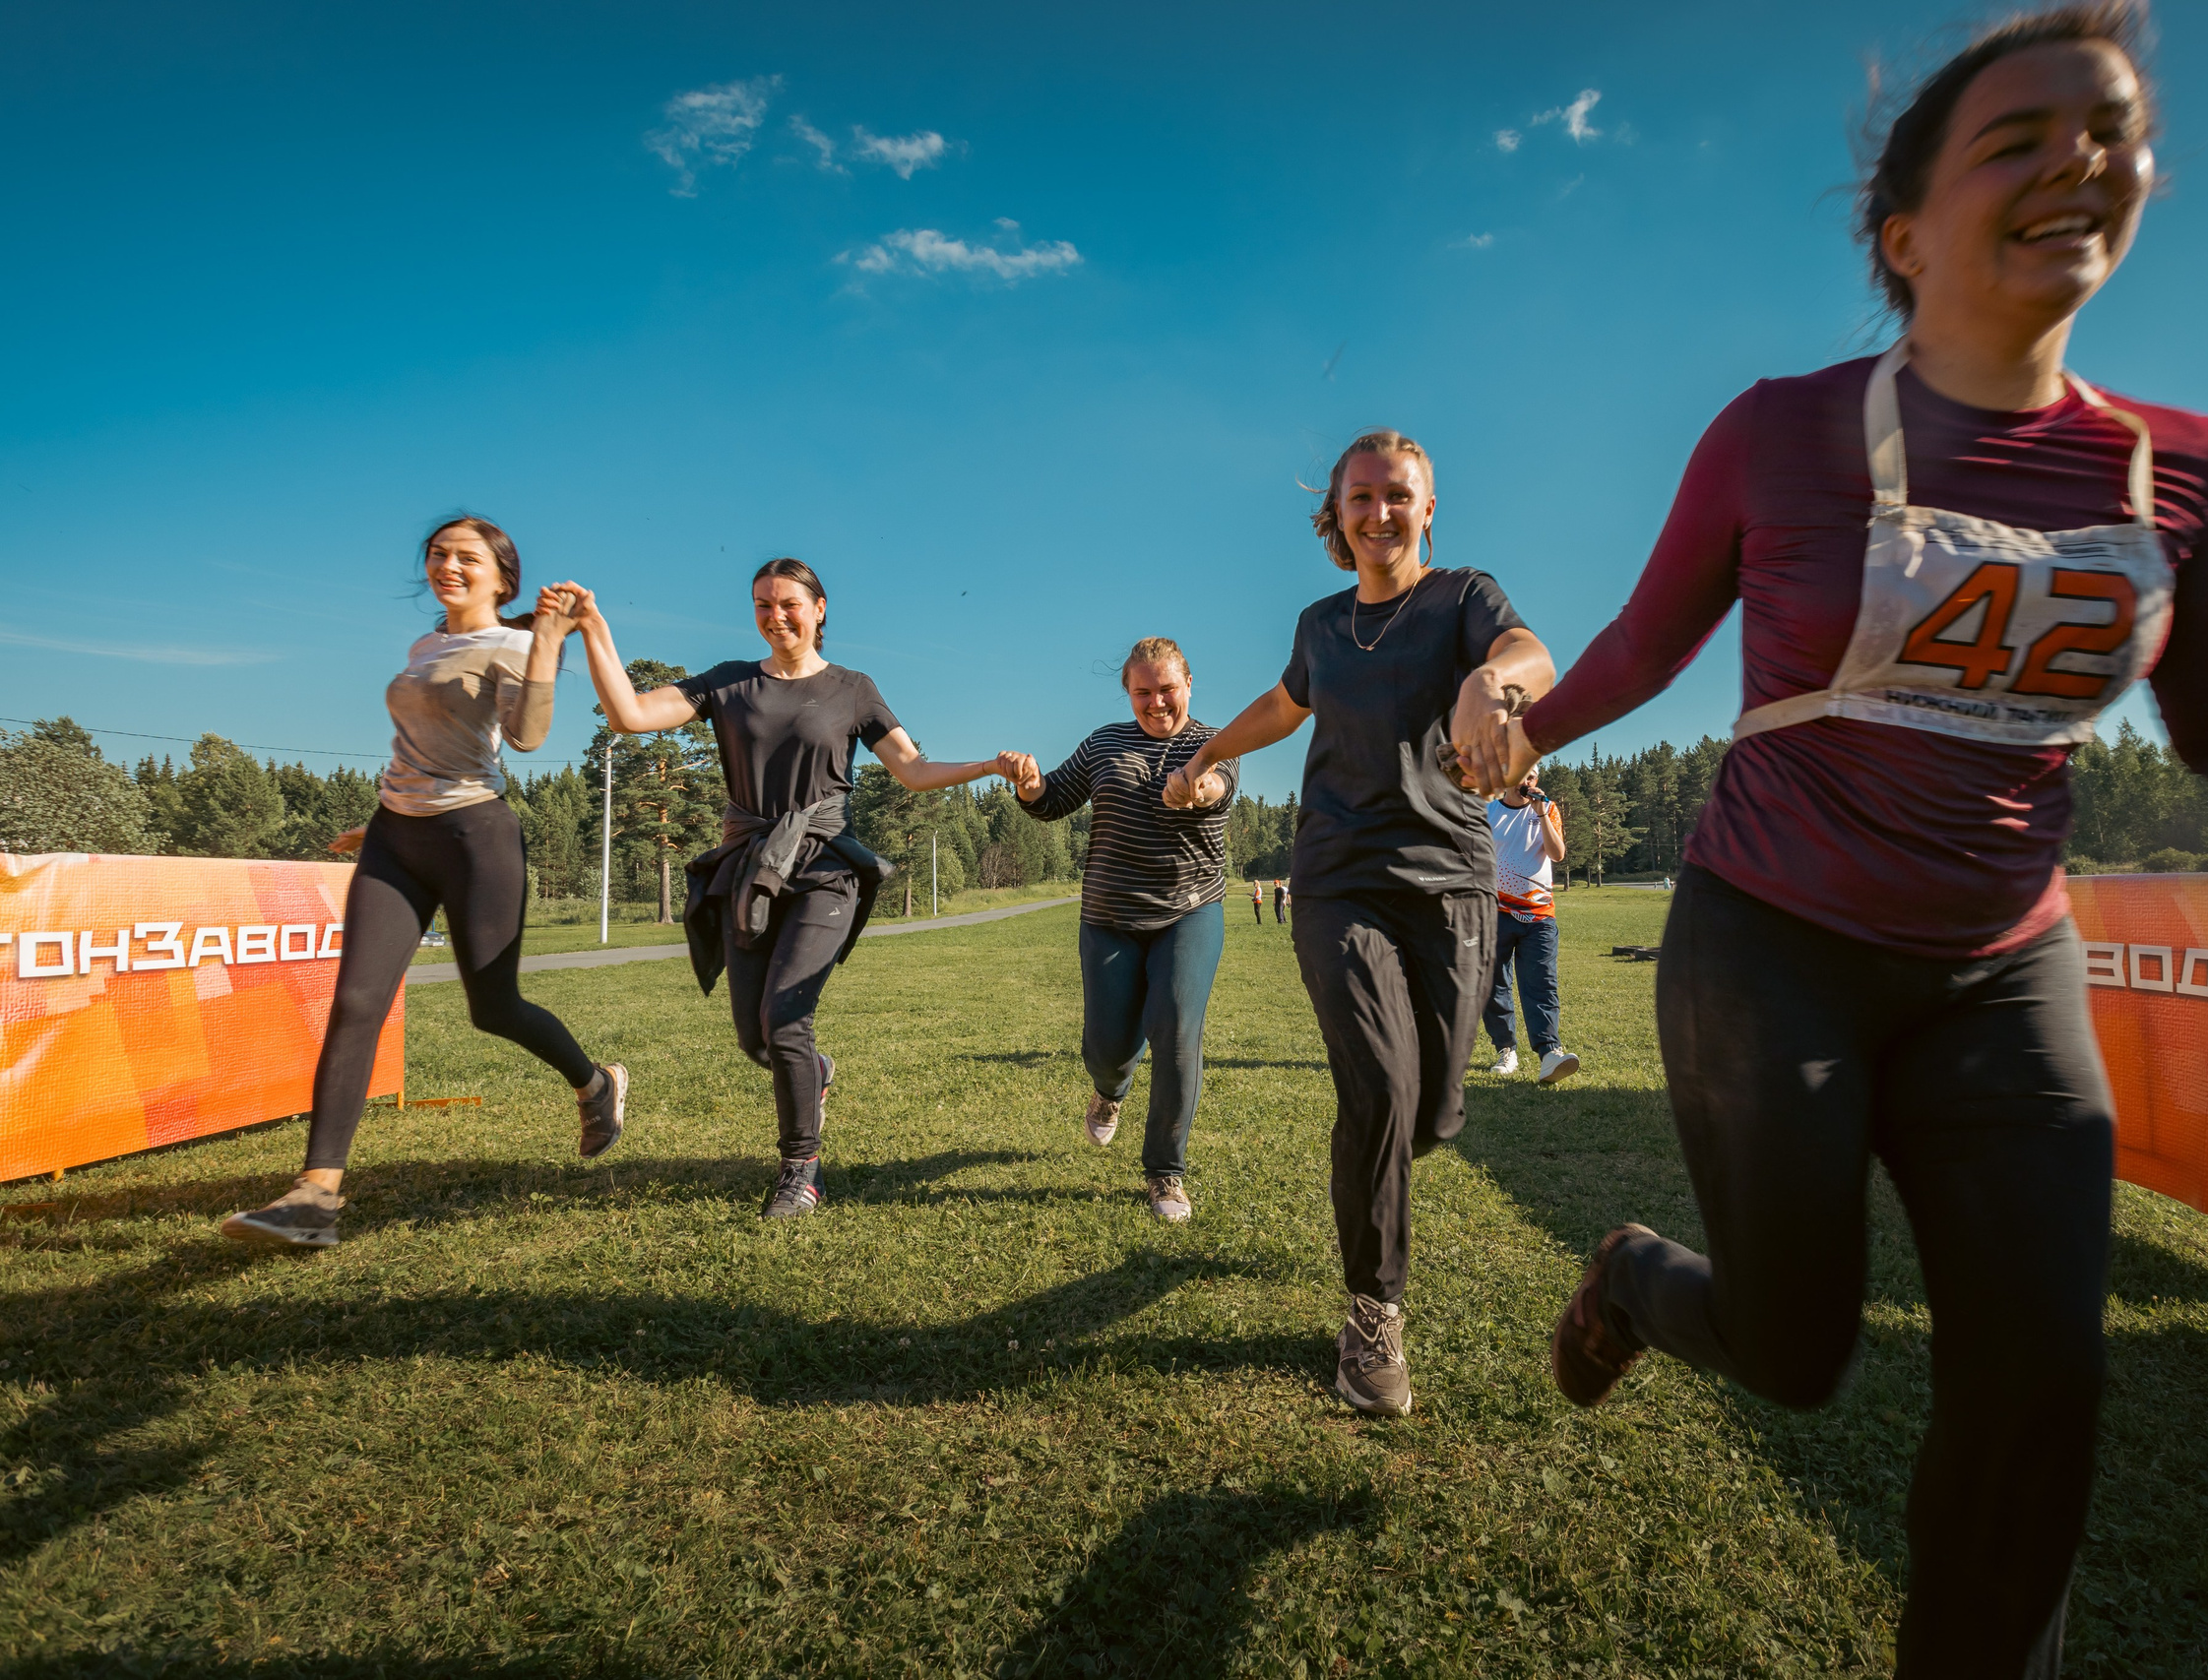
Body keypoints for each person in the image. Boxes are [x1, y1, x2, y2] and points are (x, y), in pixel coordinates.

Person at [1487, 8, 2208, 1674]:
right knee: (1796, 1346)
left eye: (2110, 132)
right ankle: (1634, 1274)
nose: (2081, 164)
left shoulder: (2183, 469)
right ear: (1904, 234)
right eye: (2020, 138)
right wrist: (1522, 726)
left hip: (2000, 974)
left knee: (2041, 1399)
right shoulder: (1783, 430)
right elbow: (1643, 642)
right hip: (1775, 949)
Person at [1165, 428, 1554, 1417]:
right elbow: (1282, 704)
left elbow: (1532, 655)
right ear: (1334, 515)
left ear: (1427, 509)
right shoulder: (1319, 625)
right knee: (1379, 1090)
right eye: (1361, 497)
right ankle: (1373, 1317)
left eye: (1398, 497)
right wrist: (1203, 755)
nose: (1379, 513)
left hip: (1451, 882)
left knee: (1430, 1111)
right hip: (1337, 875)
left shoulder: (1465, 600)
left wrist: (1488, 682)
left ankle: (1376, 1154)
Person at [552, 559, 1024, 1217]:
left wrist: (988, 766)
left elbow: (911, 769)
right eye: (762, 606)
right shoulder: (729, 683)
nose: (775, 617)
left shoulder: (852, 689)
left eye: (788, 604)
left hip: (826, 865)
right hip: (752, 867)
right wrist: (593, 628)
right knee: (756, 1038)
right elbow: (629, 715)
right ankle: (816, 1072)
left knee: (786, 1015)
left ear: (820, 608)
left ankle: (802, 1169)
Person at [221, 517, 625, 1250]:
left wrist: (547, 642)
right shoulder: (426, 646)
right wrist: (377, 820)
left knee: (493, 1008)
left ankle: (596, 1082)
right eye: (438, 554)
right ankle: (315, 1196)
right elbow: (420, 744)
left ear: (502, 578)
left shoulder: (513, 643)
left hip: (476, 837)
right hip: (394, 835)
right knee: (356, 1002)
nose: (446, 565)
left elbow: (528, 736)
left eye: (466, 557)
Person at [1004, 637, 1237, 1222]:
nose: (1156, 702)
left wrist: (1196, 786)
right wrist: (1030, 786)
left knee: (1177, 1030)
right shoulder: (1105, 742)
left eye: (1167, 689)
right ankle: (1109, 1092)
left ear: (1188, 685)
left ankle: (1165, 1172)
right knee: (1108, 1049)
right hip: (1109, 916)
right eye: (1143, 692)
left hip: (1190, 909)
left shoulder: (1215, 743)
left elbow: (1219, 788)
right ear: (1128, 693)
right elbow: (1053, 797)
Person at [1483, 769, 1579, 1083]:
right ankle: (1506, 1049)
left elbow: (1558, 854)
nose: (1528, 782)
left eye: (1534, 777)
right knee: (1494, 982)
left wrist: (1541, 815)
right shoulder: (1489, 811)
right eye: (1523, 775)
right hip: (1496, 912)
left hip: (1539, 916)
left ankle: (1550, 1053)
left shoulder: (1548, 808)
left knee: (1541, 983)